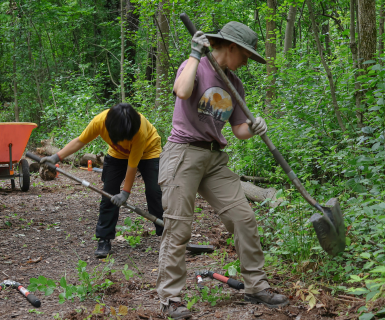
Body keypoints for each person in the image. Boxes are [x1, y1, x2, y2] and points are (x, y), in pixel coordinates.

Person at [156, 22, 289, 319]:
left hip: (214, 159)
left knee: (243, 216)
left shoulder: (234, 85)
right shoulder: (196, 66)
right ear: (231, 48)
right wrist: (193, 54)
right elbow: (181, 90)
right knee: (178, 226)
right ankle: (170, 299)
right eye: (245, 55)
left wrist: (255, 126)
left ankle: (255, 285)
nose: (246, 62)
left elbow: (239, 130)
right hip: (184, 153)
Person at [41, 103, 163, 258]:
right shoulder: (100, 122)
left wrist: (125, 193)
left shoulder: (139, 130)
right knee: (108, 194)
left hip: (149, 151)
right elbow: (80, 141)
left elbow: (132, 165)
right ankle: (104, 239)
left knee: (154, 191)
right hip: (117, 154)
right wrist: (56, 157)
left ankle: (165, 234)